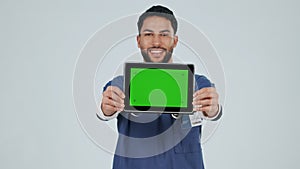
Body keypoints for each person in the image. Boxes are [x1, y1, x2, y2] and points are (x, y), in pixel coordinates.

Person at [97, 5, 223, 169]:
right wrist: (105, 109)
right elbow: (103, 112)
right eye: (148, 34)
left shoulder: (197, 84)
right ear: (139, 40)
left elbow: (214, 113)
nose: (156, 42)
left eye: (164, 35)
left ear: (174, 41)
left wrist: (214, 110)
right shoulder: (121, 84)